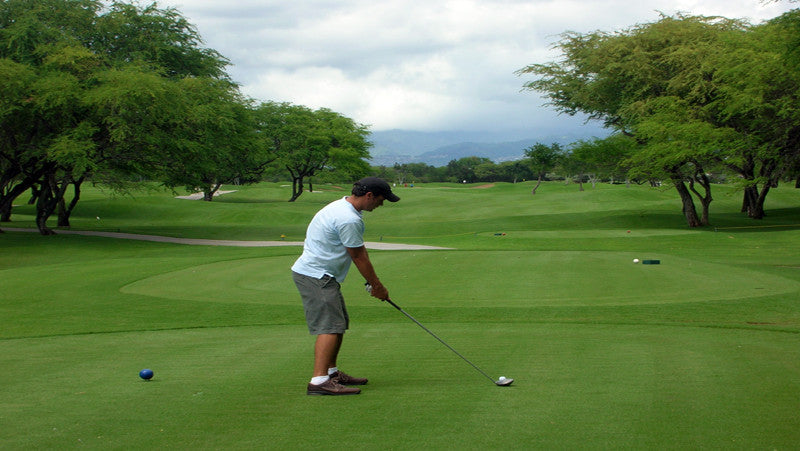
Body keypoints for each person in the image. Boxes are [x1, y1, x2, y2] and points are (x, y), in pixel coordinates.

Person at [291, 177, 400, 395]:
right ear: (369, 196)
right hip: (316, 275)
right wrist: (377, 286)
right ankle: (319, 381)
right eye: (381, 199)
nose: (381, 204)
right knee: (330, 326)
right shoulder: (348, 219)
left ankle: (331, 373)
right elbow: (358, 256)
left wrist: (373, 282)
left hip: (322, 275)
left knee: (338, 323)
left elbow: (360, 250)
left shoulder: (342, 206)